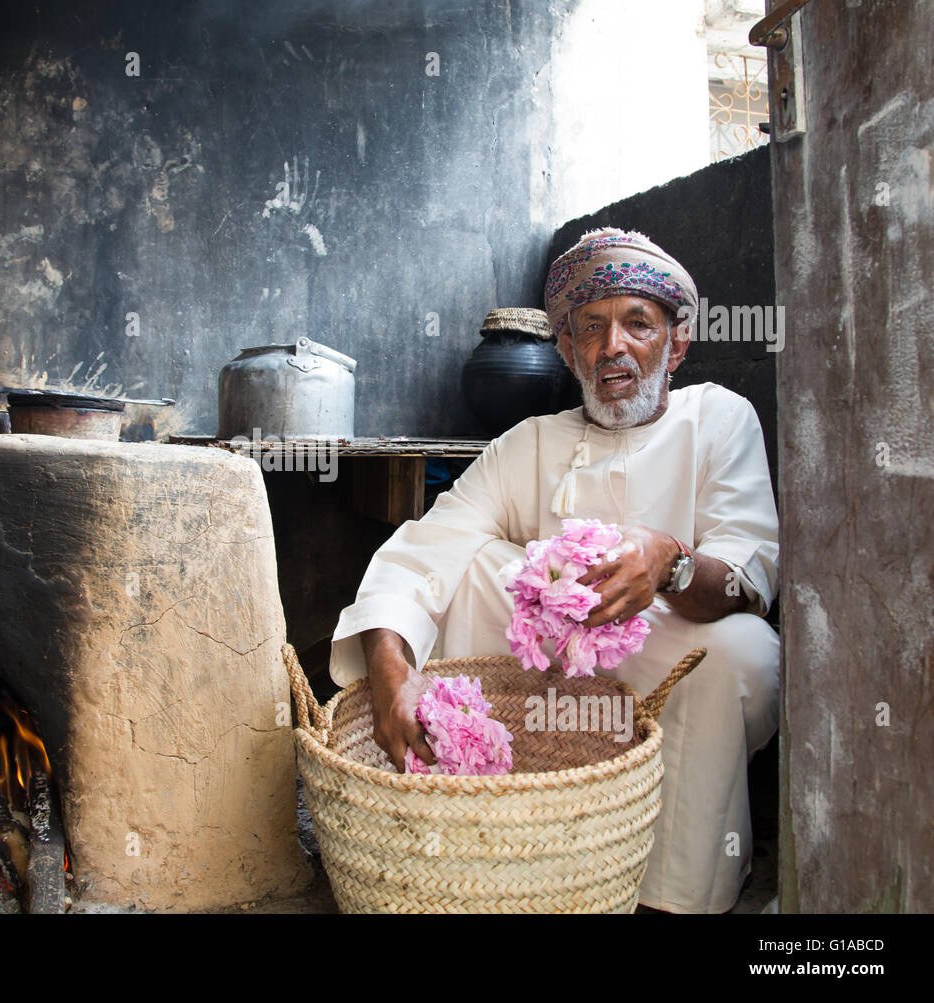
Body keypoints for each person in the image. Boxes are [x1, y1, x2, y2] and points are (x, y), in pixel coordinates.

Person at [329, 228, 780, 914]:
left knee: (740, 649)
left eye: (638, 324)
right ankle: (501, 839)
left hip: (665, 660)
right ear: (568, 351)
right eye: (591, 329)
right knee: (475, 564)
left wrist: (670, 561)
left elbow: (750, 577)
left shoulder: (719, 420)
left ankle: (675, 895)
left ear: (677, 344)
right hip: (542, 688)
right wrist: (390, 667)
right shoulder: (531, 444)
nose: (612, 347)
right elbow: (424, 549)